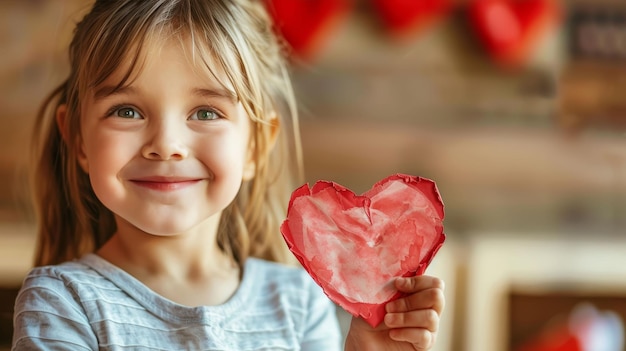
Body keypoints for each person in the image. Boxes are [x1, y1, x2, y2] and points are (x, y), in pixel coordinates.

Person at [12, 0, 445, 350]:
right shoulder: (62, 305)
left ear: (255, 144)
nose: (167, 144)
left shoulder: (298, 303)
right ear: (79, 140)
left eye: (205, 112)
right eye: (126, 110)